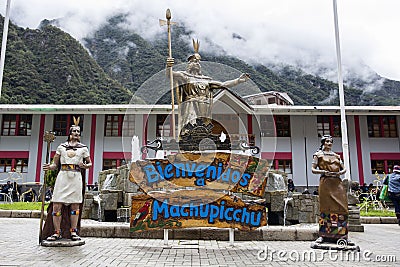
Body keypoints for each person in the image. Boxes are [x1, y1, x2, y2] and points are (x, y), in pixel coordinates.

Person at [166, 39, 250, 132]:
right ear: (189, 64)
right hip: (191, 103)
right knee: (191, 121)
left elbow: (223, 84)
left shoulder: (206, 80)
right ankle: (187, 138)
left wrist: (238, 80)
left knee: (203, 124)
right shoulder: (185, 76)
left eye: (198, 62)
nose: (196, 64)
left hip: (204, 104)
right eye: (193, 61)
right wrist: (168, 66)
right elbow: (170, 74)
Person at [42, 118, 92, 241]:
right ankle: (56, 232)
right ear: (69, 133)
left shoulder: (83, 148)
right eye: (74, 131)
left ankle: (73, 232)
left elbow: (90, 163)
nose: (76, 133)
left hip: (75, 176)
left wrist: (85, 166)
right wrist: (50, 167)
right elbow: (55, 164)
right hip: (62, 176)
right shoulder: (61, 147)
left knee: (75, 206)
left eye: (78, 131)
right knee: (56, 205)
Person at [311, 135, 349, 244]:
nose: (329, 143)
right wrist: (323, 172)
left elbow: (344, 168)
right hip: (326, 182)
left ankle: (342, 234)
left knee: (342, 208)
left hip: (337, 182)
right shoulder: (318, 155)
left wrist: (341, 172)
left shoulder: (336, 156)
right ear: (323, 142)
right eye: (327, 141)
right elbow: (313, 169)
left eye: (331, 141)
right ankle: (324, 235)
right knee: (325, 208)